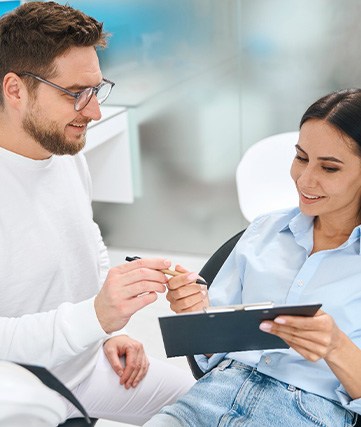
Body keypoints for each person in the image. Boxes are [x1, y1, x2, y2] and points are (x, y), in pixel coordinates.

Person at [0, 2, 195, 425]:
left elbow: (86, 239)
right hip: (16, 386)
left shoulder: (62, 150)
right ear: (15, 90)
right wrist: (95, 318)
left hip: (86, 366)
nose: (94, 111)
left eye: (96, 89)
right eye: (75, 94)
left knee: (205, 408)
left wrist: (110, 328)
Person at [144, 88, 361, 426]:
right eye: (301, 157)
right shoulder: (265, 231)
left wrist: (336, 347)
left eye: (329, 168)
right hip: (213, 396)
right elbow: (209, 355)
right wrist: (196, 313)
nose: (305, 180)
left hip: (305, 414)